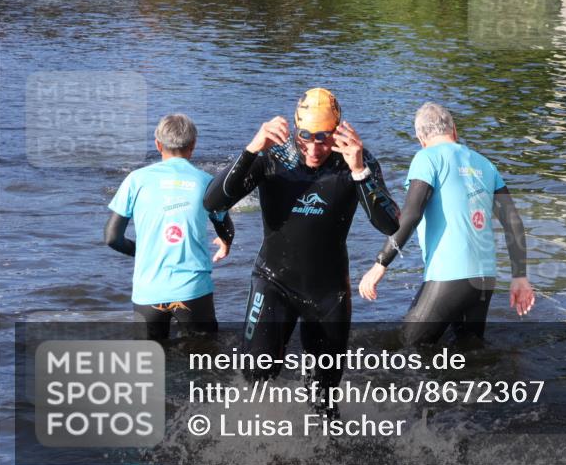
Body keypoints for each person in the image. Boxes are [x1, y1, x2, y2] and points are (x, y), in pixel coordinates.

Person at [203, 88, 400, 396]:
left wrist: (360, 171)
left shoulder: (355, 158)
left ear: (336, 131)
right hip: (273, 282)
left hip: (329, 293)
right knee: (256, 378)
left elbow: (390, 224)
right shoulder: (273, 155)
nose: (313, 147)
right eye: (305, 136)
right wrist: (251, 150)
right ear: (295, 130)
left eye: (322, 137)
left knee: (324, 397)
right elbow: (213, 201)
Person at [359, 102, 535, 345]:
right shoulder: (484, 163)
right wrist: (520, 277)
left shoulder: (426, 158)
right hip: (485, 278)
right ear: (454, 131)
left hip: (450, 275)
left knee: (408, 348)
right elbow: (513, 222)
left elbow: (411, 215)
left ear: (420, 137)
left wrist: (381, 263)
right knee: (468, 353)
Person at [105, 114, 234, 341]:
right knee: (205, 362)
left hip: (148, 294)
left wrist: (141, 250)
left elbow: (112, 237)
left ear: (157, 144)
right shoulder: (206, 182)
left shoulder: (136, 180)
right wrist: (226, 241)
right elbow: (225, 225)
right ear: (193, 146)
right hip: (193, 291)